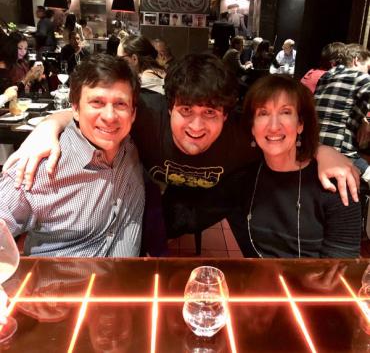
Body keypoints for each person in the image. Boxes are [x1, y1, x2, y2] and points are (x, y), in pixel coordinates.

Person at [2, 54, 359, 254]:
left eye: (210, 114)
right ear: (168, 107)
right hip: (158, 199)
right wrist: (50, 125)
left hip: (214, 199)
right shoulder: (145, 117)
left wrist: (323, 151)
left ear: (227, 115)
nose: (196, 126)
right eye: (186, 111)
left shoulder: (241, 133)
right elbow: (100, 111)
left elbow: (279, 134)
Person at [0, 54, 144, 257]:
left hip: (121, 283)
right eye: (97, 102)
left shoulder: (129, 147)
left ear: (133, 113)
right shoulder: (41, 165)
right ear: (75, 109)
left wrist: (51, 121)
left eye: (120, 104)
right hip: (57, 286)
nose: (110, 117)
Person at [222, 75, 361, 258]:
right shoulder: (244, 180)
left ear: (300, 124)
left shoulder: (335, 184)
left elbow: (340, 267)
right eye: (263, 113)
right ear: (252, 127)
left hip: (318, 286)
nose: (273, 126)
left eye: (285, 112)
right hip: (262, 284)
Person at [314, 43, 370, 182]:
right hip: (341, 152)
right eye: (368, 67)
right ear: (356, 60)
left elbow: (339, 108)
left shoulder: (326, 76)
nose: (368, 72)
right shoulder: (362, 78)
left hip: (314, 148)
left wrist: (364, 121)